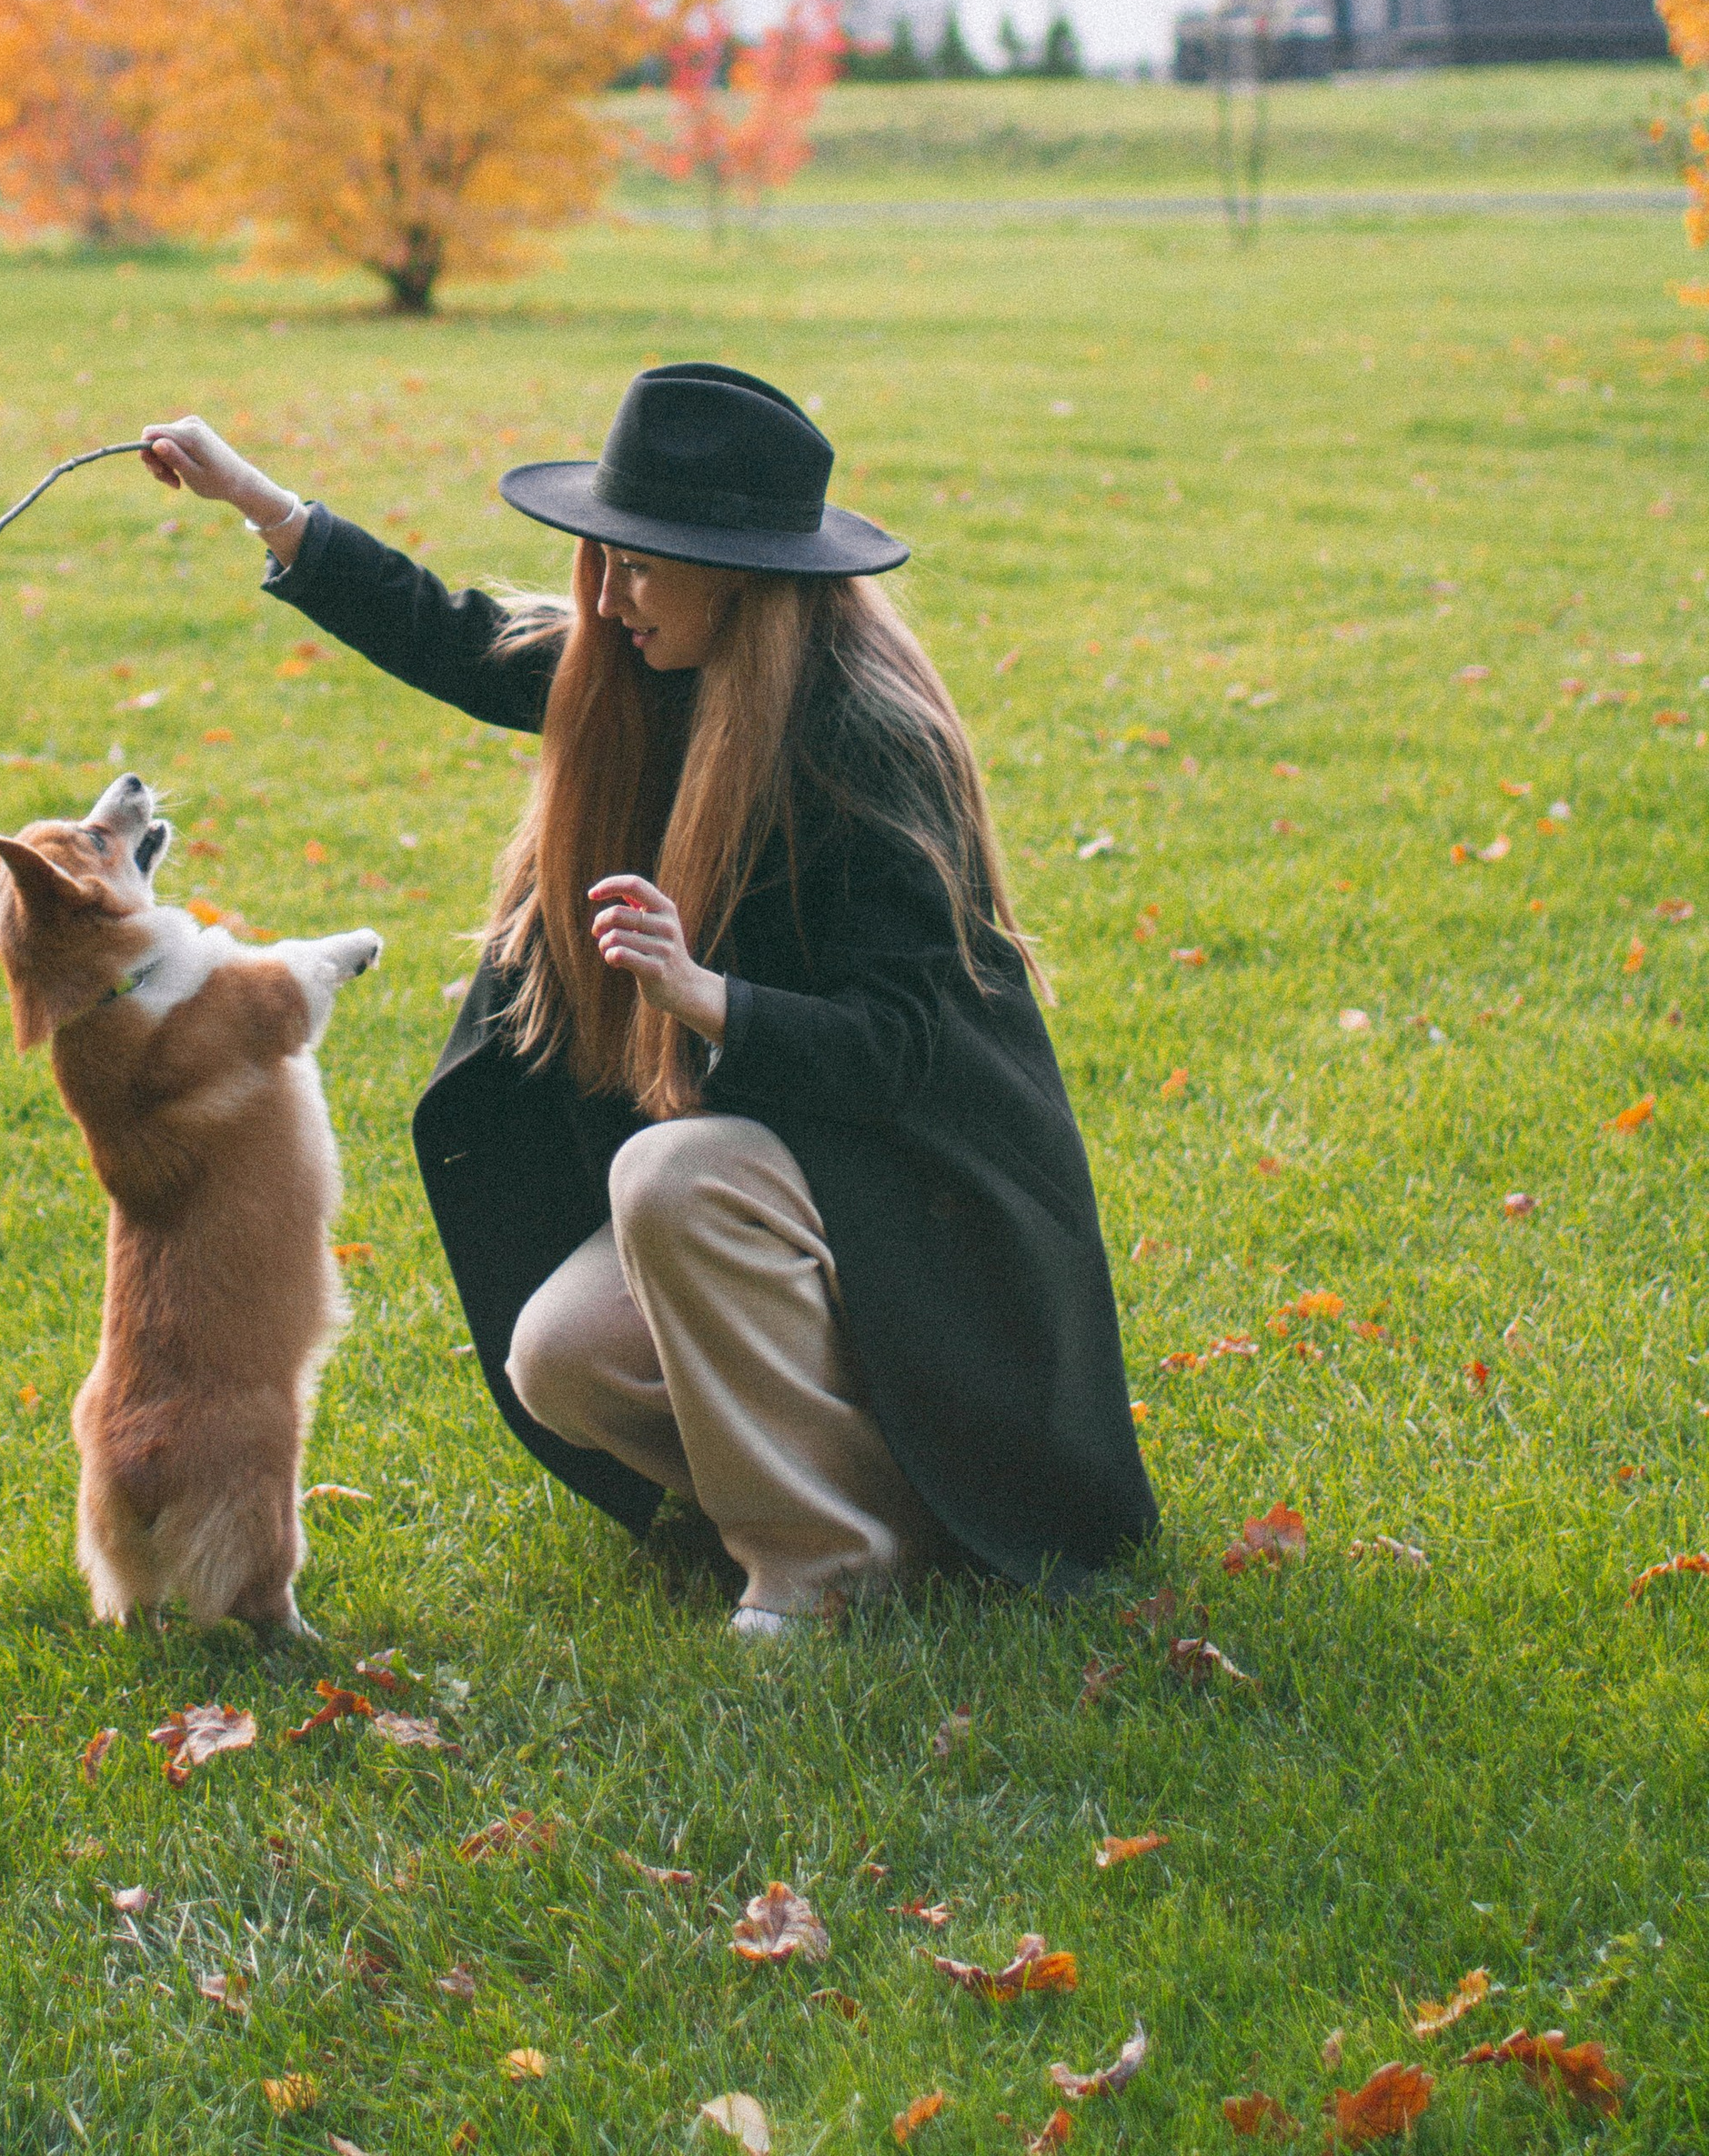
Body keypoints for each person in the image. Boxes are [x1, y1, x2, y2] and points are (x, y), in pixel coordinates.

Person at [141, 364, 1156, 1631]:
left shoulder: (865, 739)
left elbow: (904, 1050)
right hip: (784, 1179)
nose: (607, 596)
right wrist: (254, 497)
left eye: (640, 567)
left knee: (671, 1176)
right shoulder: (643, 666)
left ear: (741, 577)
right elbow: (452, 635)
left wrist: (706, 998)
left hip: (919, 1192)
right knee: (562, 1356)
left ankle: (815, 1572)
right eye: (603, 559)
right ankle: (904, 1518)